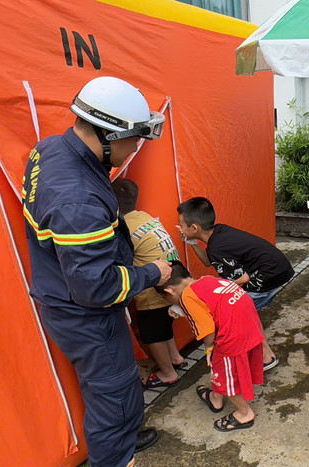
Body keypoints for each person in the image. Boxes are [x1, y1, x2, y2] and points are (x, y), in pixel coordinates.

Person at [22, 76, 172, 466]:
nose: (136, 147)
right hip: (87, 316)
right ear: (108, 135)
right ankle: (115, 455)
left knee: (114, 390)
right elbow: (97, 287)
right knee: (114, 396)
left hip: (60, 292)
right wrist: (153, 273)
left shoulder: (50, 148)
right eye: (134, 139)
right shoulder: (78, 200)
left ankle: (122, 437)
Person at [177, 197, 294, 371]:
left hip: (269, 275)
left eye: (181, 224)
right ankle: (265, 355)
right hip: (279, 267)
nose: (179, 227)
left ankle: (265, 357)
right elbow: (209, 262)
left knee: (240, 314)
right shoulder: (219, 232)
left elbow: (243, 279)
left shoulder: (217, 248)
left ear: (194, 228)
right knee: (247, 312)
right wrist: (192, 243)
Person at [157, 262, 265, 432]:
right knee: (222, 372)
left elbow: (206, 330)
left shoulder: (186, 298)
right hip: (251, 326)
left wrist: (209, 350)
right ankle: (215, 398)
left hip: (232, 338)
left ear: (169, 291)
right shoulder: (206, 279)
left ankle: (245, 414)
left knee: (224, 375)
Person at [112, 178, 185, 388]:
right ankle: (176, 358)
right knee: (163, 326)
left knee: (152, 334)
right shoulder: (145, 217)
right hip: (173, 282)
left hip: (155, 289)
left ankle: (168, 373)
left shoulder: (123, 228)